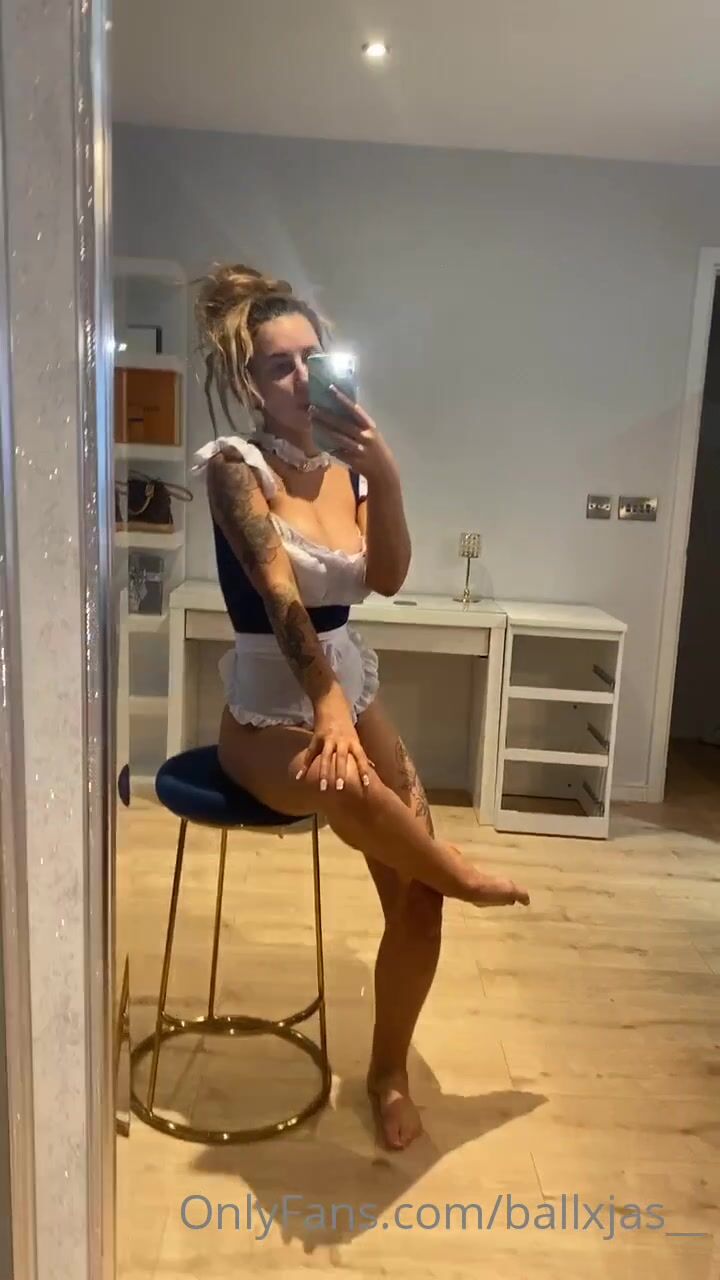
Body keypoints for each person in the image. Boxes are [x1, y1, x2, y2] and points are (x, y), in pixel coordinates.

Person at [192, 264, 529, 1151]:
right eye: (279, 366)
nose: (302, 378)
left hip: (350, 681)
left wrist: (387, 472)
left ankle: (388, 1073)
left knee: (418, 903)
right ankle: (458, 869)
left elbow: (387, 578)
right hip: (266, 706)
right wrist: (327, 709)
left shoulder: (352, 471)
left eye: (313, 357)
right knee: (346, 785)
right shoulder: (234, 468)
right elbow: (279, 599)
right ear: (249, 386)